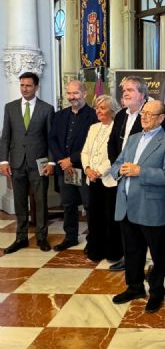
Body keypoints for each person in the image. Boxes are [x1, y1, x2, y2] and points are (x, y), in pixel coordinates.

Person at [111, 100, 165, 314]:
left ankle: (157, 291)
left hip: (151, 207)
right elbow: (115, 164)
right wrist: (119, 170)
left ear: (161, 118)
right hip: (127, 205)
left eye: (150, 114)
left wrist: (140, 171)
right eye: (143, 114)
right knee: (132, 250)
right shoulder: (132, 139)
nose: (144, 117)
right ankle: (135, 287)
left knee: (158, 254)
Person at [0, 72, 55, 253]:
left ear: (36, 87)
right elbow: (5, 137)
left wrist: (51, 162)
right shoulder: (10, 107)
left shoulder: (47, 109)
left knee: (40, 201)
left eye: (29, 85)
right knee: (20, 202)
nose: (25, 89)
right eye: (22, 85)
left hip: (39, 163)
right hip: (16, 163)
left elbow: (50, 139)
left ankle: (41, 237)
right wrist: (3, 161)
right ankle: (21, 237)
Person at [49, 80, 97, 252]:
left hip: (84, 169)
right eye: (69, 93)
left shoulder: (93, 115)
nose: (72, 97)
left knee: (89, 205)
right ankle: (70, 238)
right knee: (68, 205)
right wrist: (63, 160)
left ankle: (94, 239)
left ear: (84, 94)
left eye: (75, 93)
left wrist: (72, 159)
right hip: (65, 169)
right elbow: (52, 139)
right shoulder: (59, 115)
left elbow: (92, 144)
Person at [107, 76, 148, 271]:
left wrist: (134, 170)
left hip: (141, 179)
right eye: (124, 90)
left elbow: (156, 150)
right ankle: (128, 259)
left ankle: (147, 262)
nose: (125, 93)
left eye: (130, 90)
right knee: (126, 223)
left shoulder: (151, 114)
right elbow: (112, 144)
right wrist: (118, 169)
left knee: (143, 224)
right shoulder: (122, 115)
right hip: (122, 178)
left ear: (141, 94)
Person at [81, 94, 123, 263]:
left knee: (110, 218)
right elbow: (85, 152)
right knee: (94, 218)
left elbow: (116, 154)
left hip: (109, 180)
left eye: (102, 108)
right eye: (97, 108)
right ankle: (95, 251)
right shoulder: (93, 128)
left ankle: (112, 252)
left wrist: (99, 171)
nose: (98, 111)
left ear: (112, 111)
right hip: (92, 179)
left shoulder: (118, 128)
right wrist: (88, 169)